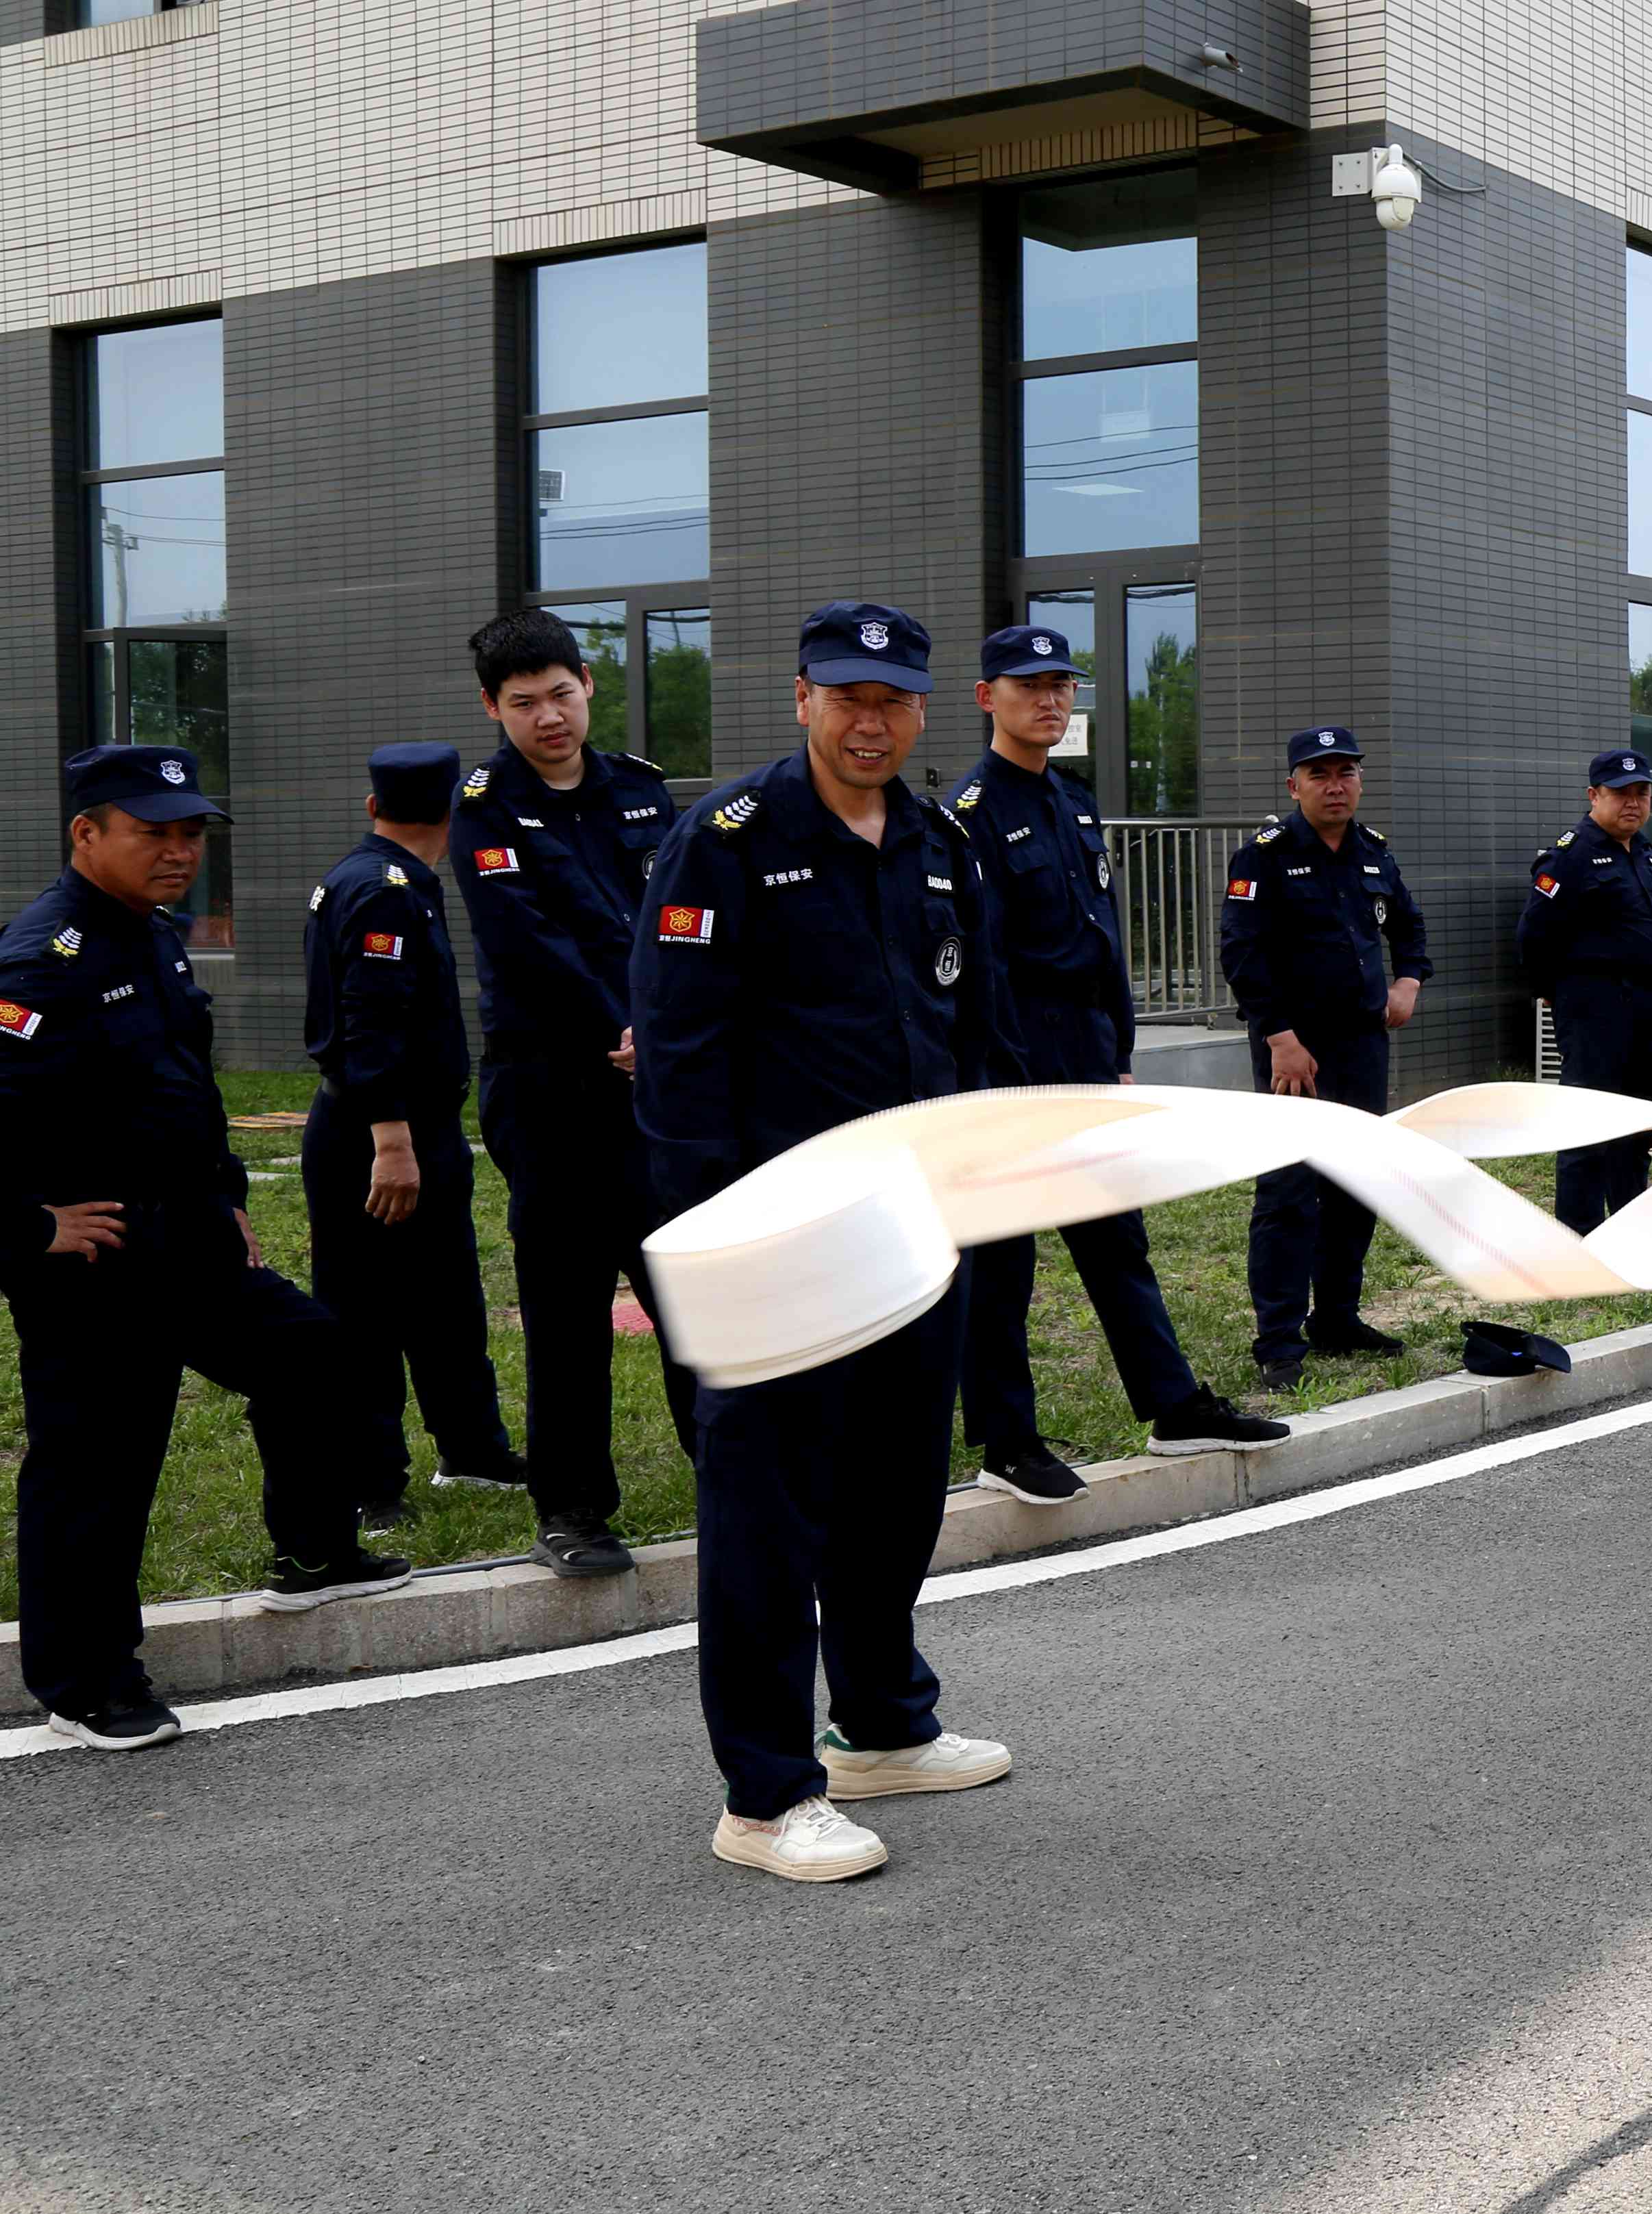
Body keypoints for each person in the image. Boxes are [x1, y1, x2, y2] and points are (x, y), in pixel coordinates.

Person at [634, 602, 1023, 1883]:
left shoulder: (934, 840)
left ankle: (878, 1724)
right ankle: (763, 1793)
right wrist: (705, 1240)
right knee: (766, 1508)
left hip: (910, 1223)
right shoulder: (729, 844)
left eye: (894, 701)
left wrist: (988, 1178)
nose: (871, 721)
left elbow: (978, 1033)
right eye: (847, 696)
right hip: (780, 1236)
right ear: (801, 697)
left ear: (924, 710)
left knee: (894, 1486)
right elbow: (681, 1066)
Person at [1, 747, 412, 1750]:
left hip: (185, 1232)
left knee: (315, 1352)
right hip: (91, 1259)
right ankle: (85, 1682)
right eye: (155, 831)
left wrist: (225, 1195)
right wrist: (33, 1227)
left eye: (190, 833)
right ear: (86, 833)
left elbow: (182, 1086)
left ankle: (312, 1554)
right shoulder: (39, 961)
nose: (179, 850)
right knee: (96, 1465)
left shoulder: (154, 937)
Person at [950, 625, 1286, 1496]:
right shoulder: (970, 816)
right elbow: (981, 965)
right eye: (1029, 687)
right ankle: (1007, 1440)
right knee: (1002, 1266)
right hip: (1016, 1067)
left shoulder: (1072, 800)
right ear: (988, 697)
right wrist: (1007, 1078)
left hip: (1088, 1056)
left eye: (1062, 685)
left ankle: (1173, 1405)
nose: (1051, 701)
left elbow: (1103, 940)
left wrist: (1120, 1053)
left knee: (1117, 1242)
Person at [453, 609, 688, 1577]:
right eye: (523, 703)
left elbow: (683, 916)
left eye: (560, 694)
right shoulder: (483, 805)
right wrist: (616, 1028)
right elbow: (525, 941)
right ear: (492, 707)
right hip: (549, 1084)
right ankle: (574, 1510)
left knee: (686, 1282)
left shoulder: (639, 790)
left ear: (587, 683)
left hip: (654, 1083)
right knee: (565, 1299)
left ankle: (736, 1468)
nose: (547, 717)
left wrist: (673, 1023)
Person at [299, 742, 514, 1529]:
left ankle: (474, 1448)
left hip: (418, 1124)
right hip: (378, 1130)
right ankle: (371, 1479)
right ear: (452, 815)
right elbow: (370, 1023)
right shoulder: (387, 892)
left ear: (374, 807)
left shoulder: (369, 876)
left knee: (447, 1296)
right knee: (363, 1308)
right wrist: (392, 1139)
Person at [1218, 727, 1432, 1392]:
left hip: (1362, 1045)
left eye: (1346, 772)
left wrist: (1407, 982)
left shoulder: (1374, 855)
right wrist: (1279, 1035)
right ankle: (1278, 1341)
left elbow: (1409, 928)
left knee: (1354, 1186)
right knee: (1288, 1194)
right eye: (1320, 774)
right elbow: (1241, 952)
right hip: (1292, 1053)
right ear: (1294, 786)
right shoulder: (1265, 857)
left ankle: (1336, 1319)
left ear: (1359, 781)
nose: (1335, 784)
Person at [1517, 747, 1652, 1233]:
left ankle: (1629, 1226)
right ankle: (1579, 1234)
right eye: (1621, 794)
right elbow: (1533, 936)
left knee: (1638, 1121)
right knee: (1588, 1125)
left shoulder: (1643, 851)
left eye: (1642, 793)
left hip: (1648, 1009)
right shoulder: (1572, 856)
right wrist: (1555, 993)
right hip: (1596, 1011)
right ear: (1594, 795)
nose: (1633, 803)